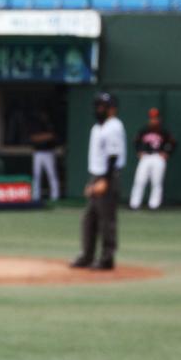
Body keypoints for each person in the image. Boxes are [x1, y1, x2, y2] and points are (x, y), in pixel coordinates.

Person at [71, 92, 126, 271]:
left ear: (112, 109)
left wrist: (105, 180)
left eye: (102, 106)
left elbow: (113, 156)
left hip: (108, 176)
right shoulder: (97, 128)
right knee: (89, 219)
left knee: (106, 220)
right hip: (97, 175)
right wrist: (92, 181)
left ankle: (107, 258)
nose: (98, 109)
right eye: (97, 106)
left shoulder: (114, 126)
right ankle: (87, 255)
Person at [129, 108, 175, 210]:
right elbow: (136, 142)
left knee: (156, 182)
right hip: (145, 157)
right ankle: (134, 204)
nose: (154, 120)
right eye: (152, 118)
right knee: (139, 180)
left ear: (159, 119)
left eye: (156, 118)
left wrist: (167, 153)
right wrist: (138, 151)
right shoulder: (143, 130)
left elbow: (173, 143)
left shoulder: (164, 131)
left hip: (158, 157)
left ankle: (154, 205)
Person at [29, 110, 60, 201]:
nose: (43, 115)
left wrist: (41, 137)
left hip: (49, 152)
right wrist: (44, 137)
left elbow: (52, 136)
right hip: (37, 153)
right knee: (36, 175)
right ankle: (36, 196)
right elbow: (33, 138)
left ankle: (55, 196)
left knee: (52, 174)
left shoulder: (50, 124)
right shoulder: (35, 124)